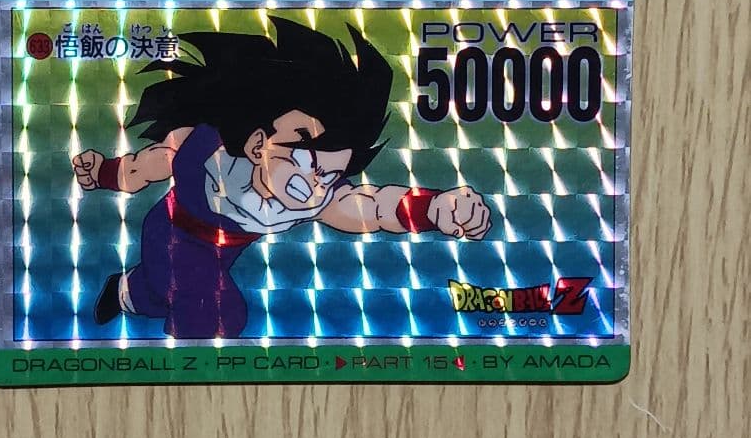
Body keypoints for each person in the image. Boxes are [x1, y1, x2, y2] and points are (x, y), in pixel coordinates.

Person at [73, 17, 491, 338]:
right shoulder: (207, 149)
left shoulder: (319, 194)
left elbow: (375, 207)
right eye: (304, 156)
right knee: (214, 312)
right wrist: (105, 173)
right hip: (172, 232)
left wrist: (434, 208)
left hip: (226, 248)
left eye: (330, 172)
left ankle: (125, 291)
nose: (315, 181)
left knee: (157, 291)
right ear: (258, 143)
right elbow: (151, 163)